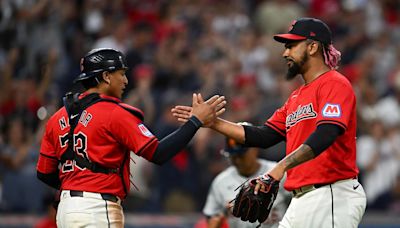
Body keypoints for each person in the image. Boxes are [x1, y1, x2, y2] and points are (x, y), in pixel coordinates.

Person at [172, 18, 367, 227]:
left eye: (292, 46)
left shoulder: (334, 83)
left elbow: (327, 133)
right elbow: (264, 136)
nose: (285, 53)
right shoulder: (296, 97)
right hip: (302, 199)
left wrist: (279, 168)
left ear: (312, 47)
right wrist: (214, 123)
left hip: (331, 193)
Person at [36, 48, 226, 228]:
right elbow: (157, 153)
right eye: (121, 74)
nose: (126, 81)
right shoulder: (114, 112)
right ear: (106, 76)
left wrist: (76, 187)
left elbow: (45, 173)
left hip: (66, 209)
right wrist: (195, 121)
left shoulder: (57, 118)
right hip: (97, 208)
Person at [202, 122, 289, 228]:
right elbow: (211, 219)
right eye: (233, 156)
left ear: (255, 149)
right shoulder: (221, 182)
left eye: (241, 155)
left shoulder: (278, 173)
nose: (237, 160)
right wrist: (223, 214)